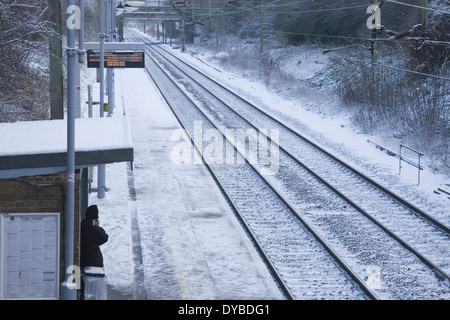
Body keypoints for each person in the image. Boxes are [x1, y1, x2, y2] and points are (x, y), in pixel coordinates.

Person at [80, 205, 109, 299]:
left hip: (79, 264)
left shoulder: (80, 227)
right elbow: (104, 237)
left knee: (80, 290)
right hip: (93, 265)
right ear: (95, 218)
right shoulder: (93, 229)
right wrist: (98, 226)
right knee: (94, 293)